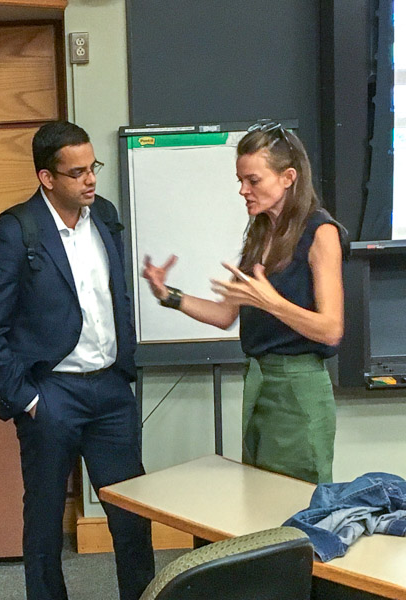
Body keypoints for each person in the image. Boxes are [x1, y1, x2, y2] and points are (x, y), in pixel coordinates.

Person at [0, 121, 155, 600]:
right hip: (51, 393)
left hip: (110, 391)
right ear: (46, 178)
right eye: (77, 173)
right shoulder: (15, 231)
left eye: (93, 168)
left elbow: (117, 298)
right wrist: (27, 398)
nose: (90, 180)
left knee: (132, 515)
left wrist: (124, 361)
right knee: (47, 520)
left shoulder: (105, 216)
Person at [143, 121, 346, 484]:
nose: (243, 190)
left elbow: (331, 329)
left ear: (288, 177)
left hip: (298, 385)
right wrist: (168, 295)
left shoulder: (320, 233)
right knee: (259, 495)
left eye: (253, 181)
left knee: (297, 505)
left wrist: (272, 303)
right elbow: (225, 315)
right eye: (240, 180)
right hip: (258, 379)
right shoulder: (261, 232)